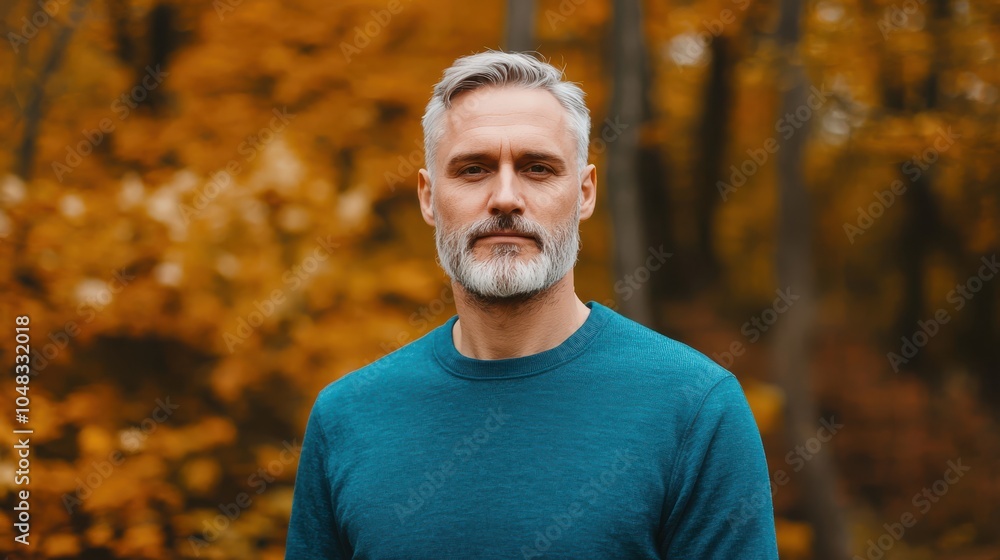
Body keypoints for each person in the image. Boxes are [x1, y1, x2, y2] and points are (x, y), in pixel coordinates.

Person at [285, 50, 778, 559]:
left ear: (584, 193)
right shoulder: (347, 417)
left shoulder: (695, 407)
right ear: (429, 198)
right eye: (473, 169)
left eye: (538, 168)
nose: (505, 197)